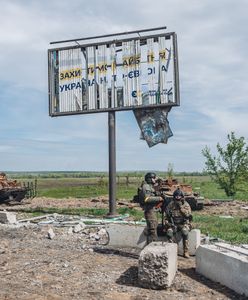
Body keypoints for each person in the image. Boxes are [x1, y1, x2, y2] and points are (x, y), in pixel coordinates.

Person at [165, 187, 192, 258]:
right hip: (173, 224)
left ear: (182, 197)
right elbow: (166, 217)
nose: (178, 197)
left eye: (179, 196)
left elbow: (188, 215)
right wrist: (168, 223)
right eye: (176, 196)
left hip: (183, 223)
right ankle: (173, 250)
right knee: (169, 232)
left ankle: (186, 251)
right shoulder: (170, 204)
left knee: (185, 232)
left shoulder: (185, 204)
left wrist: (181, 207)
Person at [140, 172, 164, 244]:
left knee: (154, 227)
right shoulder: (146, 187)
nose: (155, 180)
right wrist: (159, 198)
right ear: (149, 179)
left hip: (153, 210)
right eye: (153, 178)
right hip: (150, 210)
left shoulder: (151, 187)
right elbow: (146, 199)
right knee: (152, 230)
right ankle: (151, 247)